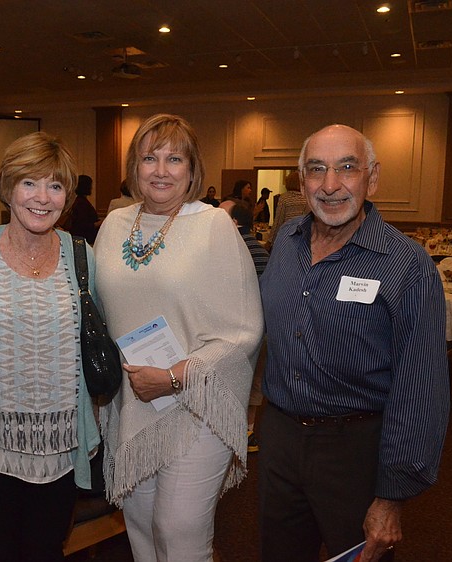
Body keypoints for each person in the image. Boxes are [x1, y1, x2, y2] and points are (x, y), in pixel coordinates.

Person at [258, 124, 448, 562]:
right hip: (281, 440)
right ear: (300, 180)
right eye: (316, 170)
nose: (330, 186)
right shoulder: (285, 243)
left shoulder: (406, 266)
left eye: (347, 168)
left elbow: (421, 389)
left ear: (372, 177)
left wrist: (391, 496)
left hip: (357, 451)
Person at [94, 113, 263, 562]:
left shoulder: (212, 226)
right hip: (132, 403)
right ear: (134, 167)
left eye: (175, 159)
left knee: (179, 532)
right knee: (142, 529)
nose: (161, 170)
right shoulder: (114, 225)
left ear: (192, 170)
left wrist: (171, 377)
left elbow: (244, 329)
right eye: (150, 158)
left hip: (196, 402)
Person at [0, 132, 101, 562]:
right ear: (7, 188)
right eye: (29, 183)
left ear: (68, 196)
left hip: (61, 447)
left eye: (55, 186)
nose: (42, 197)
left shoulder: (82, 255)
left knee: (45, 551)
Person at [220, 198, 269, 454]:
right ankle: (247, 431)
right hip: (261, 330)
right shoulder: (260, 250)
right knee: (254, 383)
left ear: (234, 222)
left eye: (221, 215)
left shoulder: (231, 249)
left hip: (235, 331)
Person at [270, 170, 308, 242]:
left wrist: (271, 240)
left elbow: (278, 221)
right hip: (303, 237)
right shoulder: (307, 198)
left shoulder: (284, 198)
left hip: (287, 235)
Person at [66, 174, 101, 244]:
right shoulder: (82, 203)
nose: (92, 187)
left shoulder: (79, 201)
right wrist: (98, 223)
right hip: (83, 240)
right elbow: (82, 225)